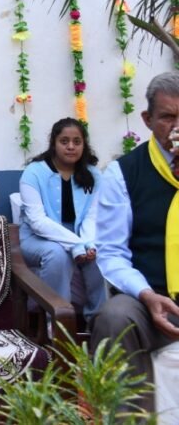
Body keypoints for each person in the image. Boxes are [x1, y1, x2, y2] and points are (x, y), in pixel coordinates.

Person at [94, 72, 179, 412]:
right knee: (114, 317)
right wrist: (146, 295)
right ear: (147, 119)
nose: (177, 127)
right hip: (152, 299)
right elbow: (112, 253)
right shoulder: (125, 172)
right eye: (168, 117)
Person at [18, 118, 106, 323]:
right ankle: (57, 324)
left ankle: (98, 322)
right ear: (54, 143)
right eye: (64, 141)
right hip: (37, 238)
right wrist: (77, 245)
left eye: (77, 142)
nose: (71, 147)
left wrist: (89, 245)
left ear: (84, 145)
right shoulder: (34, 173)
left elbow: (92, 216)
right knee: (57, 255)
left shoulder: (93, 174)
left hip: (80, 235)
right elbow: (37, 222)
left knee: (99, 254)